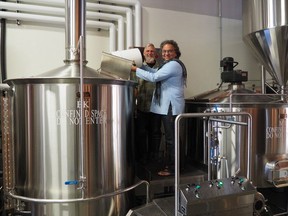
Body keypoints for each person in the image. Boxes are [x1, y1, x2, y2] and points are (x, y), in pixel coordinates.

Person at [131, 40, 187, 176]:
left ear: (176, 52)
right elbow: (154, 71)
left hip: (170, 107)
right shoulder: (167, 65)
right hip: (168, 106)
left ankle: (173, 168)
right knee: (171, 137)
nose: (166, 53)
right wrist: (140, 66)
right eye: (164, 51)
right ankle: (176, 165)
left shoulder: (173, 64)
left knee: (170, 139)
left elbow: (154, 77)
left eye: (170, 51)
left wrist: (134, 69)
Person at [134, 43, 162, 165]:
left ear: (155, 54)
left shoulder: (161, 69)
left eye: (152, 51)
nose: (150, 53)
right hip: (141, 107)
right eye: (147, 51)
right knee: (140, 134)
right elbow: (134, 86)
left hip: (156, 107)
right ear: (144, 53)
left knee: (155, 133)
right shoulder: (137, 68)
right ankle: (142, 158)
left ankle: (154, 158)